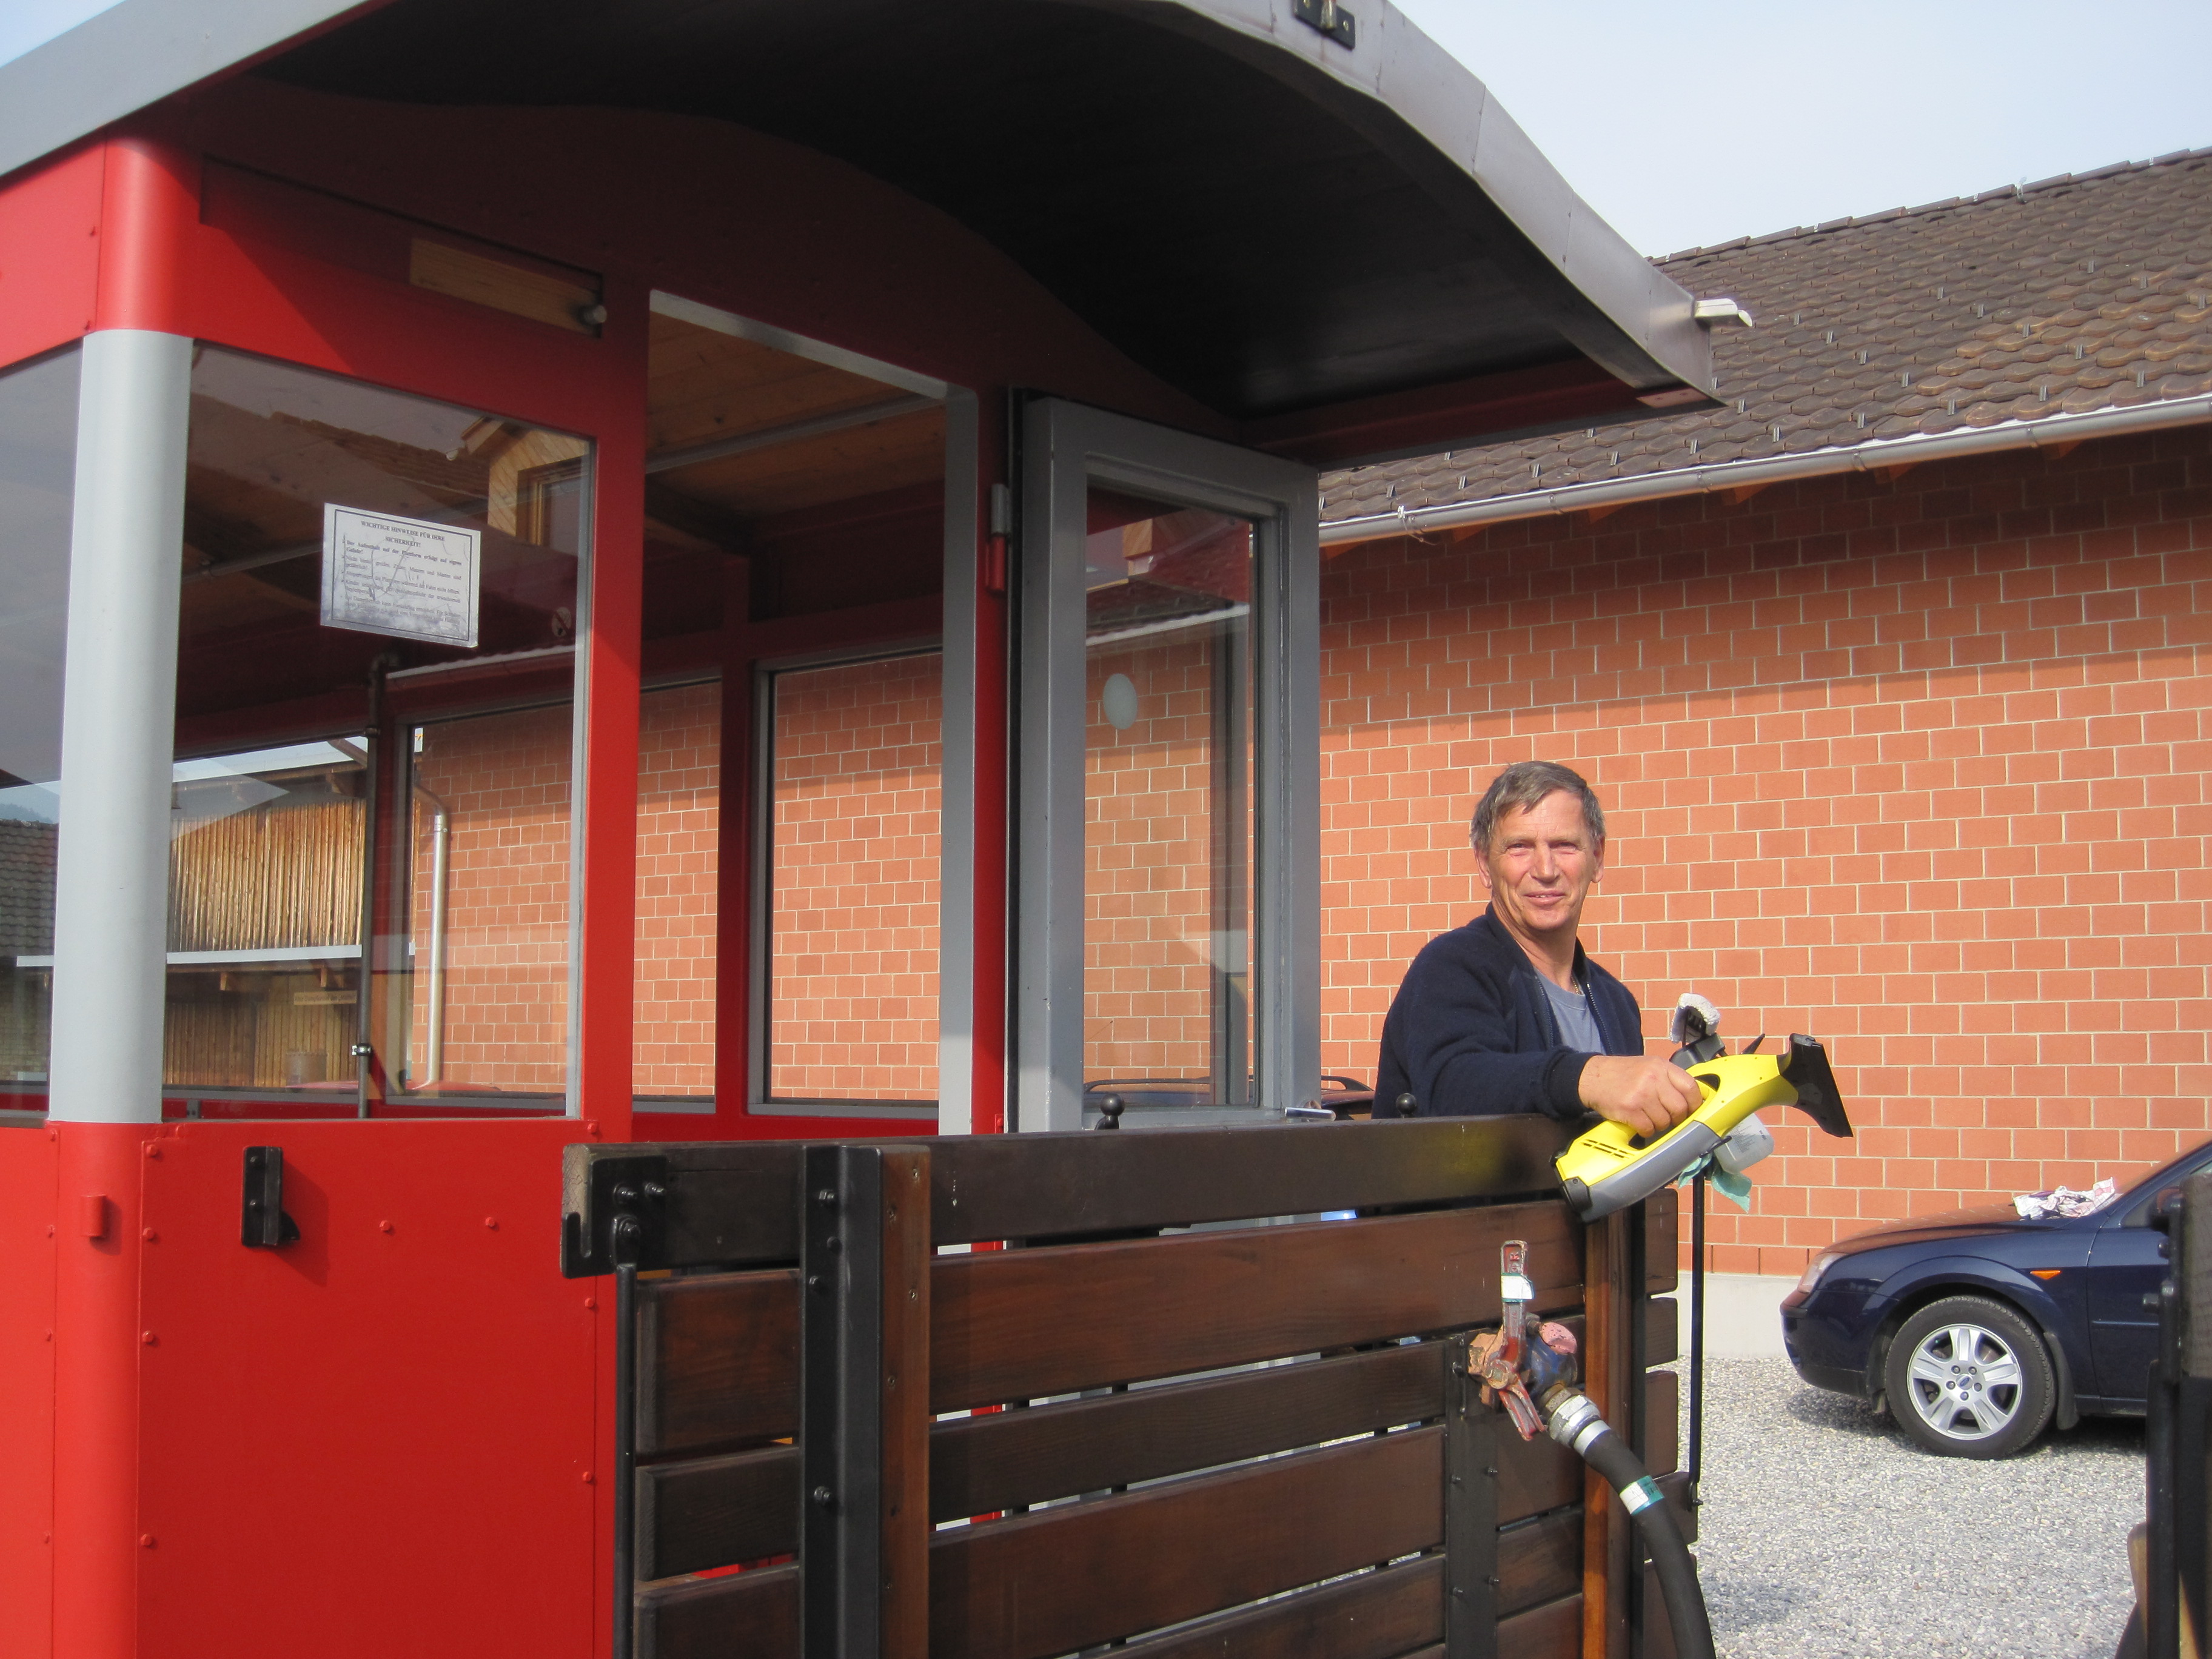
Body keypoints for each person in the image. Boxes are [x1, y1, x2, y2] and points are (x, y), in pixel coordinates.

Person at [1375, 760, 1700, 1140]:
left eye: (1564, 845)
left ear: (1597, 857)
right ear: (1484, 863)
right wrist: (1586, 1078)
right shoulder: (1450, 968)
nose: (1545, 869)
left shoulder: (1617, 1003)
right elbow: (1453, 1087)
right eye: (1519, 847)